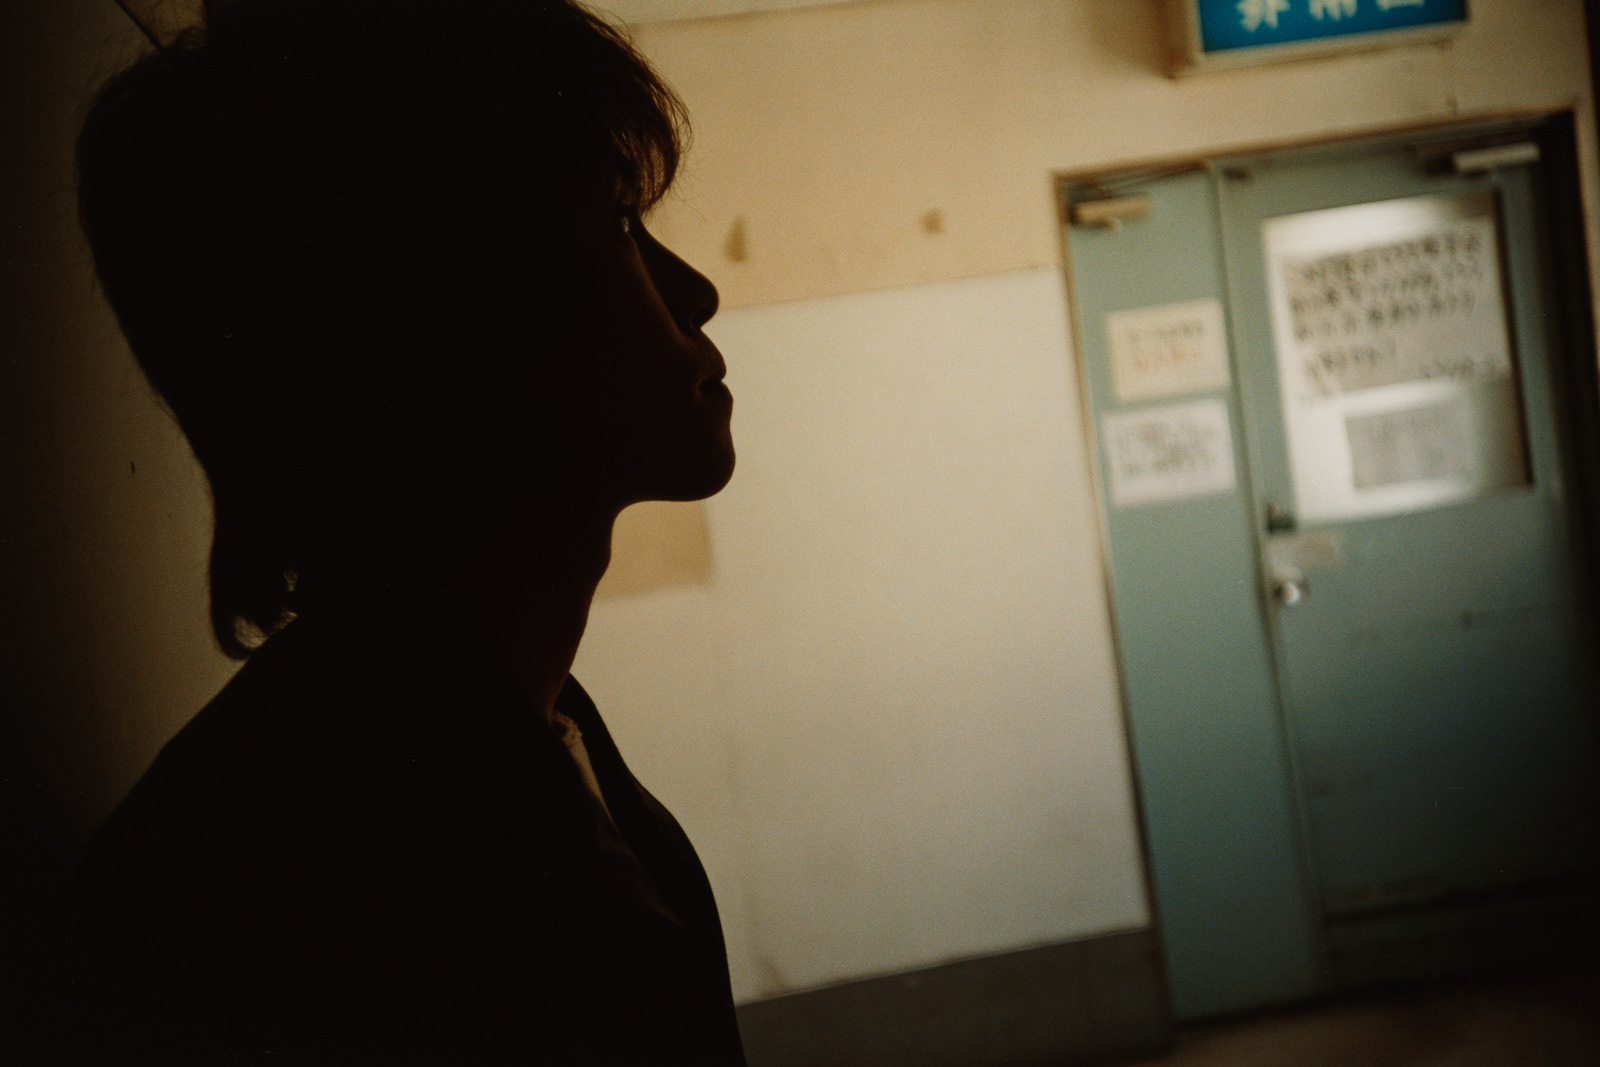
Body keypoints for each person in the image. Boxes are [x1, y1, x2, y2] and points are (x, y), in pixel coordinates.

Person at [16, 0, 744, 1061]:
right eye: (616, 224)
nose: (697, 291)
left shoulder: (507, 745)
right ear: (453, 322)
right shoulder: (298, 900)